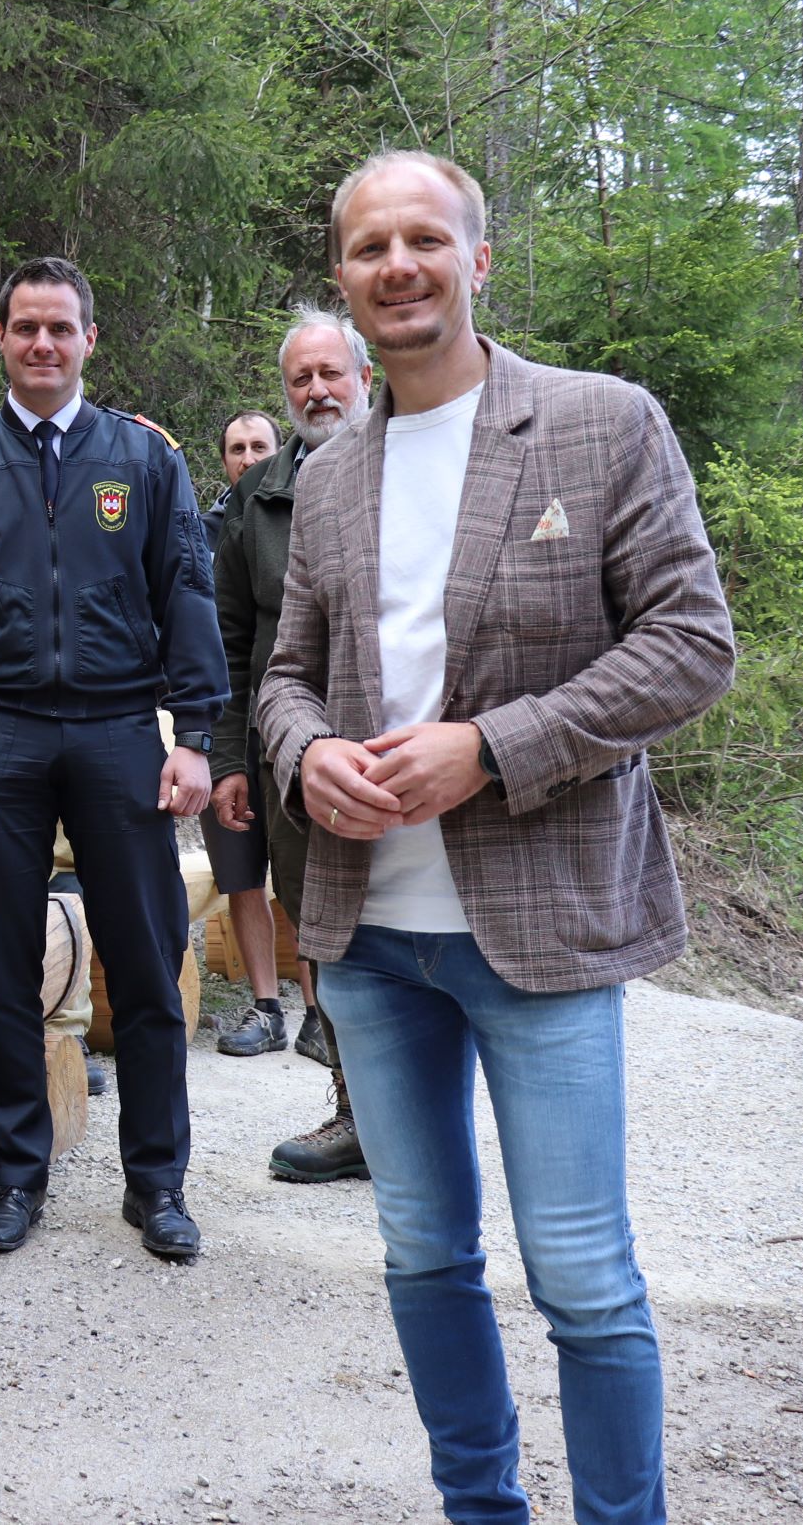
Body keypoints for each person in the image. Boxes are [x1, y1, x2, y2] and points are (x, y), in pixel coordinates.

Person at [257, 151, 734, 1523]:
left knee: (583, 1272)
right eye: (368, 246)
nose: (396, 264)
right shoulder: (335, 469)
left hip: (545, 922)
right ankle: (483, 1509)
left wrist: (492, 747)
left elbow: (692, 646)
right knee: (421, 1250)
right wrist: (304, 753)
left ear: (478, 259)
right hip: (370, 936)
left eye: (424, 238)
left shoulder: (601, 423)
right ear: (345, 281)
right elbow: (284, 672)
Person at [0, 255, 225, 1261]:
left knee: (147, 955)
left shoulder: (144, 457)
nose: (42, 343)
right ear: (0, 338)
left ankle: (157, 1182)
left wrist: (198, 737)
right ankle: (13, 1174)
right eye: (24, 327)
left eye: (60, 327)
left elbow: (186, 596)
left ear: (90, 339)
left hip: (121, 727)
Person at [213, 309, 375, 1184]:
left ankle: (422, 1115)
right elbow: (230, 635)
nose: (316, 390)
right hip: (293, 753)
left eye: (331, 373)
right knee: (324, 930)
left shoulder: (408, 463)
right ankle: (356, 1115)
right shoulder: (259, 493)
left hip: (408, 742)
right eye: (300, 378)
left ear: (364, 374)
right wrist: (232, 759)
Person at [198, 408, 324, 1060]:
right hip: (228, 716)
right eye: (235, 447)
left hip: (298, 721)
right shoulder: (207, 527)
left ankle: (317, 1012)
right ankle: (267, 1006)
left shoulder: (306, 506)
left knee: (307, 873)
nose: (246, 457)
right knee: (241, 870)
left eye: (258, 445)